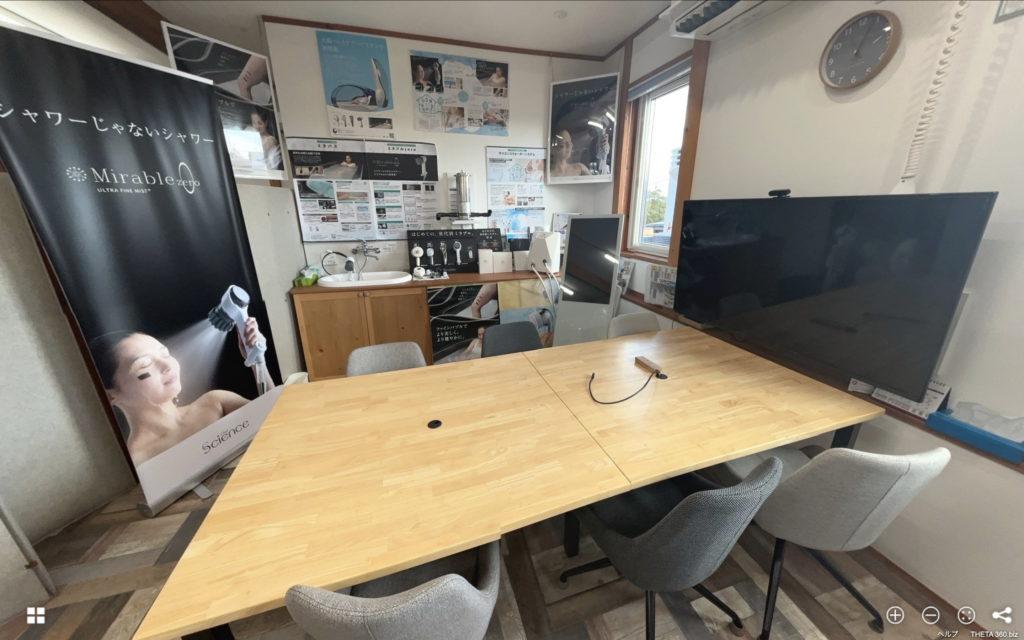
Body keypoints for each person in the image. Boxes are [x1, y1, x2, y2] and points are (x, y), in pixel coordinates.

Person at [90, 319, 273, 466]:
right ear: (110, 396)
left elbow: (279, 419)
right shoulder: (138, 460)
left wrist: (258, 361)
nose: (167, 365)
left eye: (165, 354)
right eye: (145, 365)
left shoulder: (216, 403)